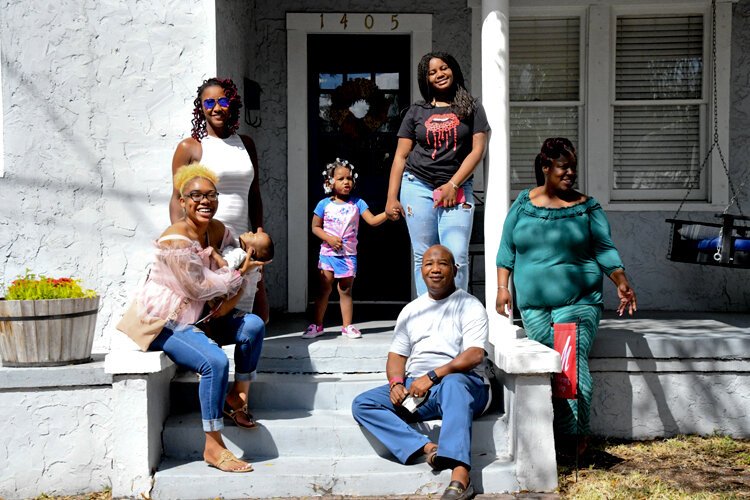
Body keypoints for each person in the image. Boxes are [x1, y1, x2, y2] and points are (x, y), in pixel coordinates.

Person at [495, 137, 637, 457]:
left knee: (570, 364)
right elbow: (507, 250)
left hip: (578, 301)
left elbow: (604, 249)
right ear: (546, 168)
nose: (570, 172)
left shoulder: (587, 207)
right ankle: (559, 435)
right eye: (563, 167)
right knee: (554, 368)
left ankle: (574, 442)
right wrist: (503, 288)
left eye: (573, 167)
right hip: (534, 308)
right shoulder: (522, 204)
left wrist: (621, 280)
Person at [132, 164, 269, 472]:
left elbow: (240, 246)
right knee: (215, 362)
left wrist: (250, 250)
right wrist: (239, 271)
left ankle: (238, 396)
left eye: (211, 195)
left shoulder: (213, 228)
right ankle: (213, 445)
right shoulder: (175, 242)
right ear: (182, 201)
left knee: (254, 326)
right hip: (166, 321)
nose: (205, 201)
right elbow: (201, 288)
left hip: (200, 317)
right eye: (196, 195)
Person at [352, 245, 490, 500]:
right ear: (421, 270)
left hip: (464, 386)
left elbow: (475, 355)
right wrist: (395, 384)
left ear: (455, 269)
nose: (435, 269)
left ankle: (461, 475)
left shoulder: (469, 305)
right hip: (419, 390)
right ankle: (429, 448)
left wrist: (433, 376)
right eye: (429, 264)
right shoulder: (411, 310)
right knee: (364, 403)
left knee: (454, 384)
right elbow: (396, 355)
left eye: (443, 264)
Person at [385, 52, 489, 296]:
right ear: (426, 79)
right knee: (425, 257)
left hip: (457, 188)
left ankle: (456, 316)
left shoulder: (471, 108)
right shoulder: (415, 112)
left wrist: (453, 185)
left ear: (453, 69)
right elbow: (400, 156)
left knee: (456, 257)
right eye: (432, 72)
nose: (439, 74)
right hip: (417, 185)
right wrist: (391, 197)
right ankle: (428, 319)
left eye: (443, 68)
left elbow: (477, 151)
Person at [170, 77, 268, 321]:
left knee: (254, 312)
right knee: (211, 312)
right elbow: (176, 198)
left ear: (232, 104)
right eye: (209, 102)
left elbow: (254, 194)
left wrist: (258, 233)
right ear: (200, 107)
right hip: (208, 241)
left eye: (223, 100)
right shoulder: (190, 147)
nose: (216, 107)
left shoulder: (246, 144)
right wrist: (186, 243)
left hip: (243, 241)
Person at [302, 159, 387, 339]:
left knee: (345, 290)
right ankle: (316, 325)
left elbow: (371, 221)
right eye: (341, 179)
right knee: (324, 288)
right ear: (329, 182)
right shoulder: (323, 204)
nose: (346, 182)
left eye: (349, 178)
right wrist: (329, 239)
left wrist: (387, 214)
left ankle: (347, 326)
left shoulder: (358, 203)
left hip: (348, 255)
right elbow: (315, 227)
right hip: (328, 254)